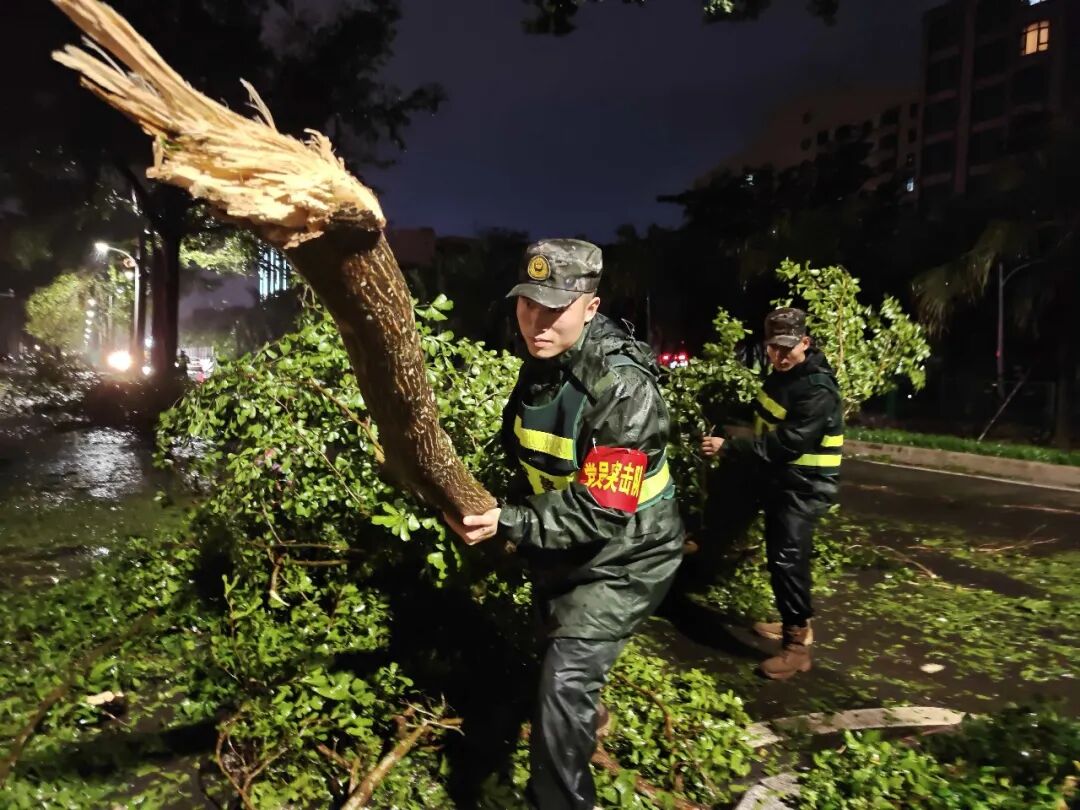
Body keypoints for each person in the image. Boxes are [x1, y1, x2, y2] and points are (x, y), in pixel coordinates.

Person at [444, 239, 684, 810]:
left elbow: (603, 506)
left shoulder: (622, 387)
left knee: (561, 682)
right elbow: (528, 454)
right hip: (567, 546)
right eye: (528, 304)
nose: (537, 322)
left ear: (591, 307)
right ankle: (586, 717)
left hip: (627, 558)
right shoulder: (542, 362)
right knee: (556, 645)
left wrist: (511, 521)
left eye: (555, 308)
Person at [700, 307, 843, 680]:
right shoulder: (783, 376)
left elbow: (785, 444)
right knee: (759, 539)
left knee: (787, 558)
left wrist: (728, 447)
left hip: (804, 487)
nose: (779, 356)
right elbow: (761, 417)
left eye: (787, 349)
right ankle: (797, 623)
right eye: (773, 348)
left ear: (805, 343)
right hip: (780, 479)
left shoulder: (816, 389)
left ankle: (796, 647)